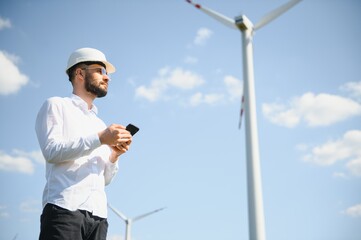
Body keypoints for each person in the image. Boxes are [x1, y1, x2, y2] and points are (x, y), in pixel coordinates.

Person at [35, 47, 133, 240]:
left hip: (98, 218)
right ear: (79, 73)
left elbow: (105, 179)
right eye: (100, 71)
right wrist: (100, 139)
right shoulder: (56, 105)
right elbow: (51, 151)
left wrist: (114, 156)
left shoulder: (99, 124)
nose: (107, 78)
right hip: (64, 211)